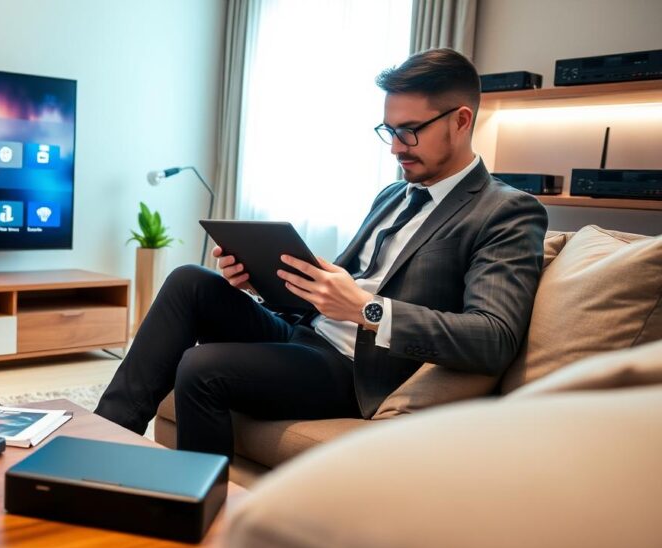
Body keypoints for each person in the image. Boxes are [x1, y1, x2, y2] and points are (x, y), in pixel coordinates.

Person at [94, 48, 548, 459]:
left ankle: (203, 519)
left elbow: (494, 337)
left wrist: (366, 309)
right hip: (305, 333)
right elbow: (340, 290)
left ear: (461, 120)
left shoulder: (506, 211)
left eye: (409, 132)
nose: (394, 148)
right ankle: (99, 443)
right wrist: (264, 281)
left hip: (355, 370)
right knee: (188, 282)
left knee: (201, 365)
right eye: (389, 131)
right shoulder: (394, 194)